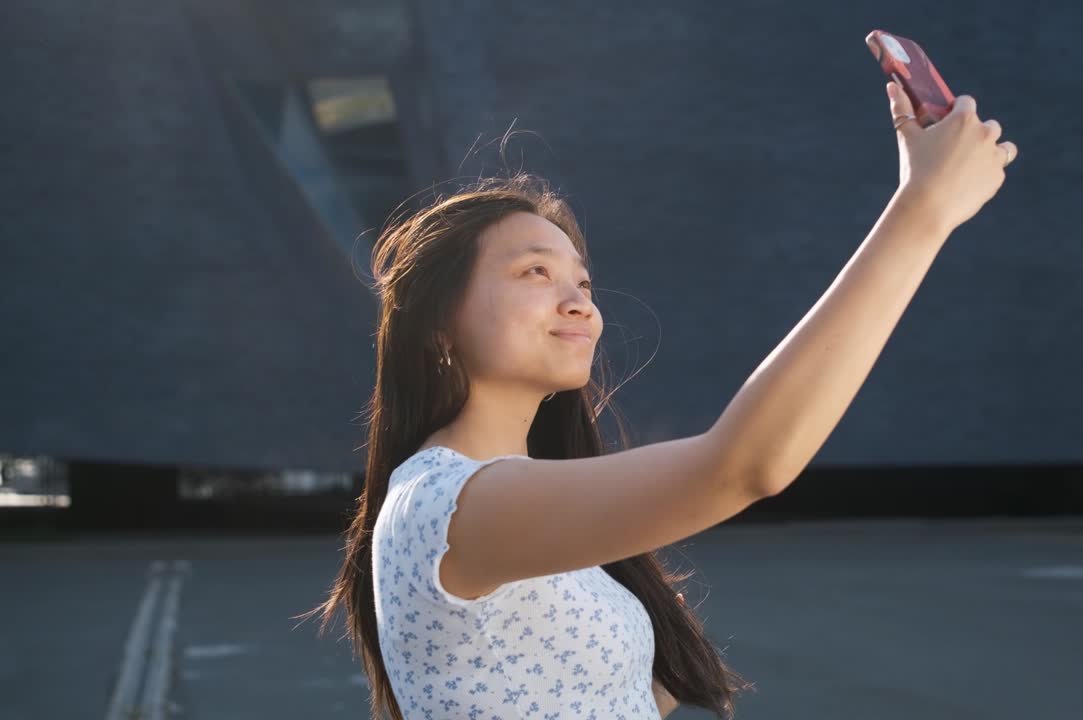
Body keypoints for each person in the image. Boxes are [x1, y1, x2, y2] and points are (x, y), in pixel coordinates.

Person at [299, 81, 1016, 719]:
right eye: (535, 272)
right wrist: (923, 210)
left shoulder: (509, 505)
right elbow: (744, 466)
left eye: (583, 282)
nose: (578, 301)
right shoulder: (446, 503)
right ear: (438, 326)